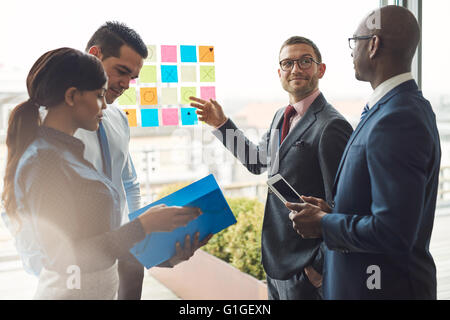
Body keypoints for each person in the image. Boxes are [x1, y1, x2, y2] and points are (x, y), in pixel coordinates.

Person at [5, 21, 211, 300]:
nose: (126, 85)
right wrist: (142, 228)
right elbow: (53, 244)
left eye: (132, 78)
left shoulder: (108, 123)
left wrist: (153, 244)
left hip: (112, 262)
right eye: (121, 72)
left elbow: (126, 185)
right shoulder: (46, 147)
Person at [286, 6, 441, 300]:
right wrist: (332, 212)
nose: (351, 51)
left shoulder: (398, 118)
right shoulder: (394, 108)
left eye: (354, 41)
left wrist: (322, 224)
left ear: (373, 45)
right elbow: (383, 209)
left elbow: (393, 232)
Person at [190, 36, 353, 300]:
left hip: (307, 270)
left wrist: (318, 267)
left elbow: (344, 205)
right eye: (288, 63)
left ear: (320, 69)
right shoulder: (281, 116)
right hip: (277, 262)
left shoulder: (331, 125)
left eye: (305, 61)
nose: (296, 69)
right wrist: (222, 124)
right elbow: (258, 162)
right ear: (279, 73)